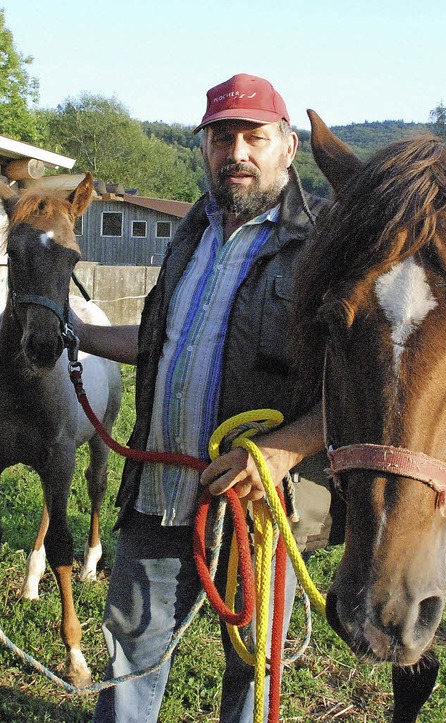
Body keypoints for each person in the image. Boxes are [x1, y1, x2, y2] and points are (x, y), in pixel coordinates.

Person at [74, 73, 331, 723]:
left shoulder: (326, 247)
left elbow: (363, 382)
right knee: (130, 651)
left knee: (251, 662)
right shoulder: (190, 233)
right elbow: (160, 341)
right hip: (160, 491)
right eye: (221, 137)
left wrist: (283, 449)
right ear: (204, 148)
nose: (236, 152)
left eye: (254, 136)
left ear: (287, 147)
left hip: (258, 508)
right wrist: (76, 332)